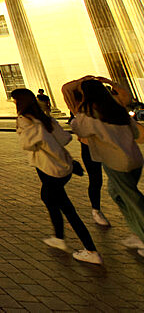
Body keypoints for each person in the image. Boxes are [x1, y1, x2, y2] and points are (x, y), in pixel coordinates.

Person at [11, 88, 101, 264]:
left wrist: (27, 132)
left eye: (14, 101)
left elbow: (26, 144)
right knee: (49, 199)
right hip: (63, 166)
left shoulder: (25, 121)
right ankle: (59, 237)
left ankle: (91, 250)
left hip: (49, 169)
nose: (14, 104)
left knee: (67, 208)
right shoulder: (45, 118)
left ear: (20, 102)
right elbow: (65, 138)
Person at [67, 76, 144, 254]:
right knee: (117, 193)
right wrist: (110, 83)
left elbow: (79, 130)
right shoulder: (116, 108)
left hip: (116, 162)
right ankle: (138, 232)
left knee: (133, 200)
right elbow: (135, 132)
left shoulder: (88, 114)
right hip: (134, 159)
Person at [61, 78, 111, 227]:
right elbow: (66, 88)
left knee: (116, 180)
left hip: (110, 147)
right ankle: (96, 210)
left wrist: (108, 81)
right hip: (90, 147)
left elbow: (123, 95)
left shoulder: (108, 105)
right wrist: (84, 79)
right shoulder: (79, 108)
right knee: (96, 179)